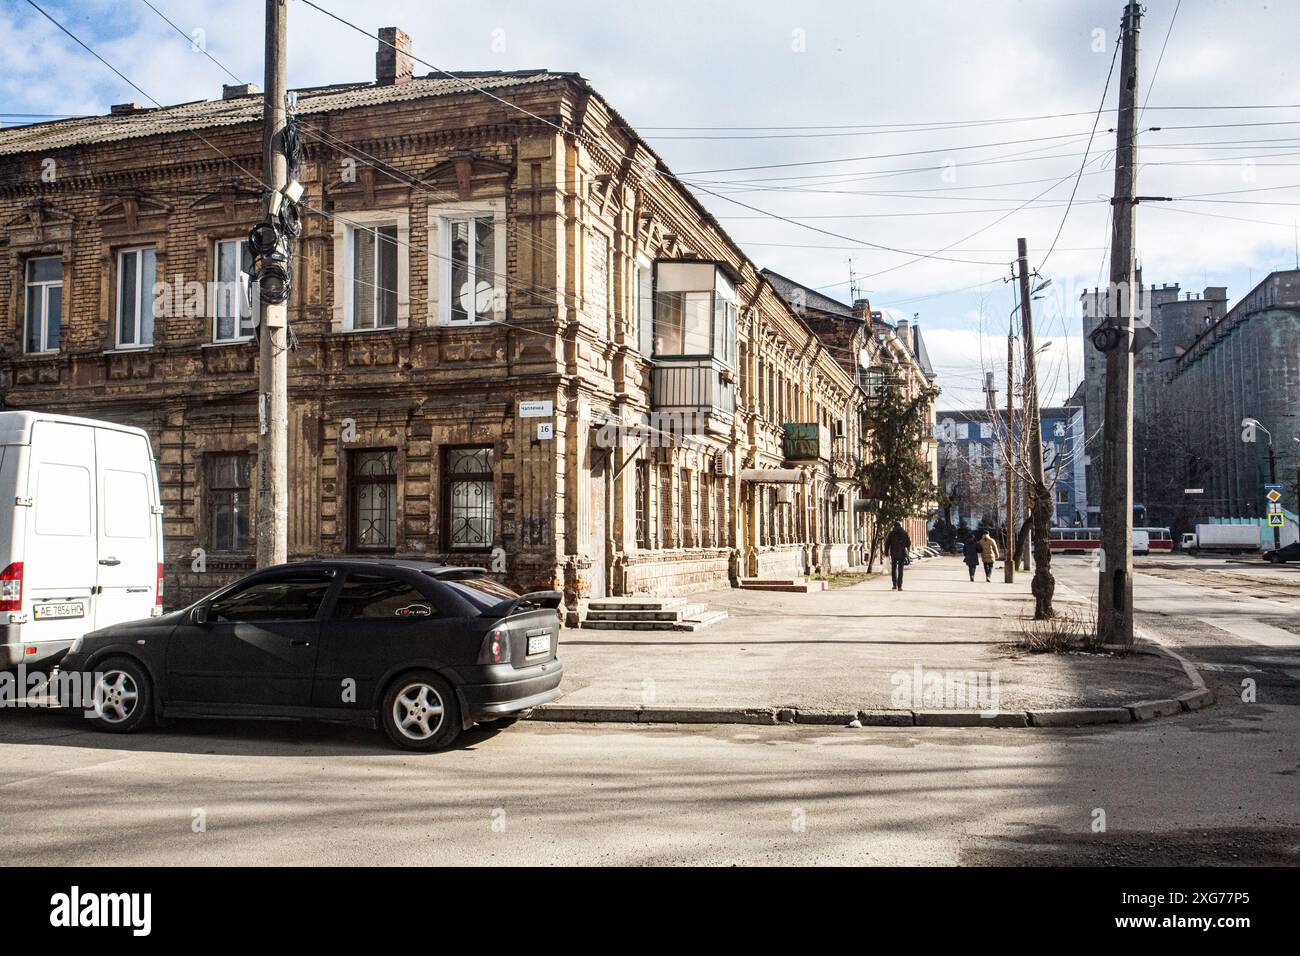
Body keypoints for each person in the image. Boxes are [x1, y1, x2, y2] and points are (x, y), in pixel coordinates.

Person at [884, 521, 911, 591]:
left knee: (894, 569)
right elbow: (908, 543)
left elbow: (887, 544)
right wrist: (904, 546)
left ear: (894, 526)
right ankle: (900, 586)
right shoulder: (904, 533)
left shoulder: (891, 533)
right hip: (902, 554)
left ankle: (894, 585)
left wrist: (886, 553)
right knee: (900, 570)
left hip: (894, 554)